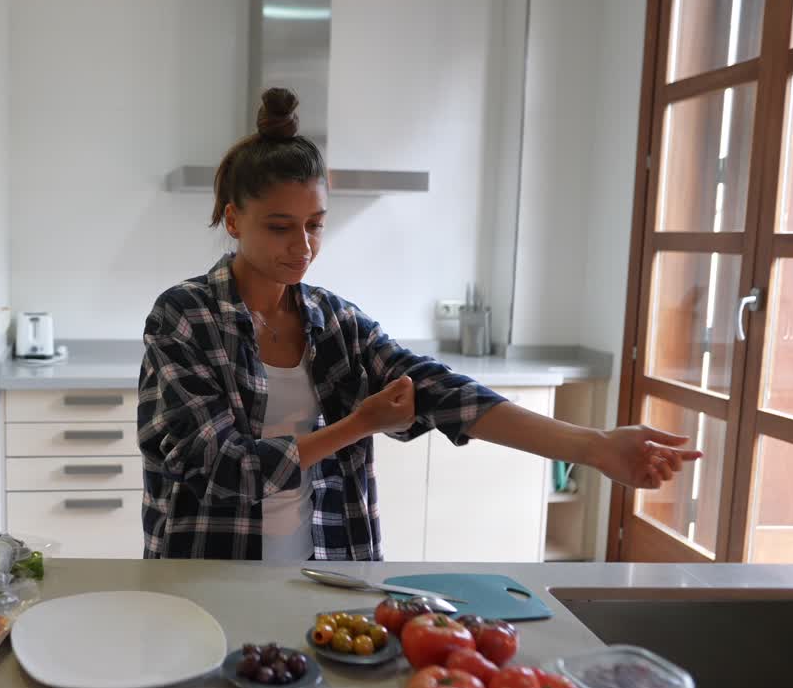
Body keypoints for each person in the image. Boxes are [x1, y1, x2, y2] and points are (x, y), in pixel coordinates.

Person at [136, 87, 701, 561]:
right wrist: (357, 425)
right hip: (208, 573)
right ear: (234, 219)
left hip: (327, 569)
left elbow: (442, 392)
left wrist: (595, 446)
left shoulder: (335, 322)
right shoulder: (184, 318)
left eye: (315, 224)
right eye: (281, 226)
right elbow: (220, 470)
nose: (302, 246)